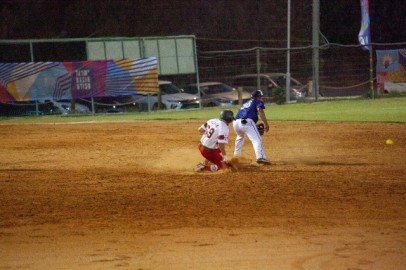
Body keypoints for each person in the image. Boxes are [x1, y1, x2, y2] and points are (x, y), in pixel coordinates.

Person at [233, 89, 271, 165]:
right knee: (257, 140)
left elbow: (244, 114)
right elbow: (260, 111)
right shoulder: (258, 102)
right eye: (261, 96)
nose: (261, 98)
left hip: (235, 123)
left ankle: (236, 157)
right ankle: (260, 157)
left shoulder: (246, 103)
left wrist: (252, 125)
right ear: (258, 97)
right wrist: (266, 124)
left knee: (239, 137)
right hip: (247, 122)